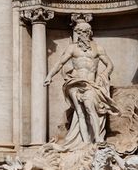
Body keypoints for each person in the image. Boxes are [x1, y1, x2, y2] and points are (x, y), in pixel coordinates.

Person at [45, 18, 120, 146]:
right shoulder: (72, 48)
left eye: (84, 32)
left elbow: (110, 65)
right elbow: (60, 63)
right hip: (74, 83)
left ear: (89, 32)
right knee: (79, 112)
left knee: (90, 108)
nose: (81, 35)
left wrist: (102, 75)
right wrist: (49, 75)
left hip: (90, 84)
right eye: (79, 32)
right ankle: (85, 143)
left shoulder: (98, 49)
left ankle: (98, 138)